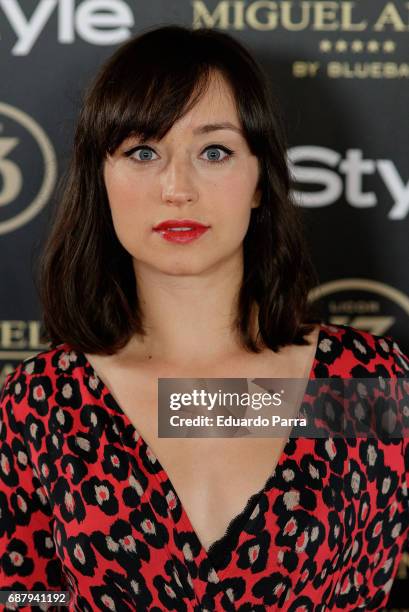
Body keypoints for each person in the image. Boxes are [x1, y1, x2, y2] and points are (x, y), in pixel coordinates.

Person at [0, 24, 408, 612]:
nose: (176, 187)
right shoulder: (42, 401)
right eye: (143, 151)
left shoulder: (358, 383)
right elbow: (22, 597)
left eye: (214, 151)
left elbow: (369, 583)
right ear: (101, 177)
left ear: (260, 180)